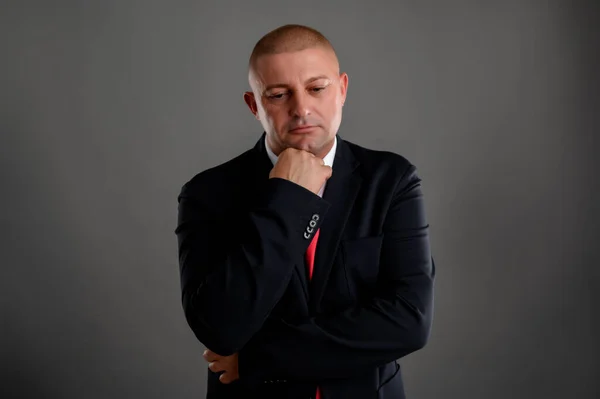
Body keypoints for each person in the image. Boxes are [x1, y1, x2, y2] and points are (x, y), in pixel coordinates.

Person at [175, 24, 435, 399]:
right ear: (254, 106)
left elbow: (409, 322)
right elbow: (220, 326)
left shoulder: (392, 180)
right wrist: (289, 197)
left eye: (317, 88)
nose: (301, 109)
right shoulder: (207, 193)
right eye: (279, 95)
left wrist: (258, 357)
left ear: (342, 89)